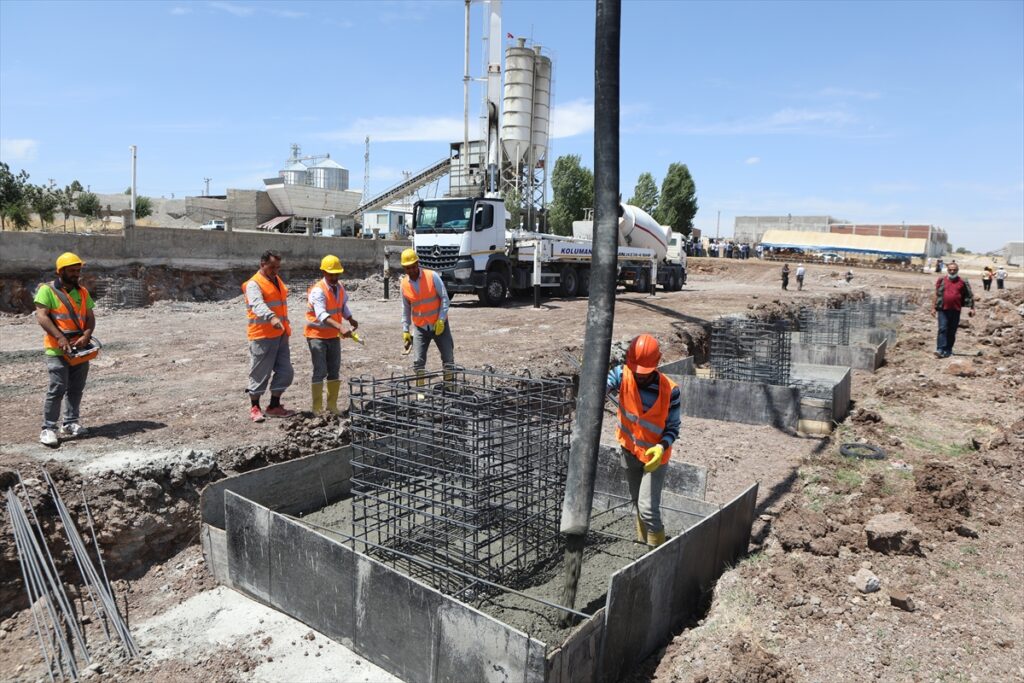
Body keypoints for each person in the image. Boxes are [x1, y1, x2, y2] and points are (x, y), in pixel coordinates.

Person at [607, 334, 681, 548]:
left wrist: (661, 447)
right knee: (637, 502)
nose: (639, 376)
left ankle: (655, 551)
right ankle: (642, 544)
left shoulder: (670, 391)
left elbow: (674, 428)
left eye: (644, 372)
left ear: (656, 365)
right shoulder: (622, 374)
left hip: (655, 457)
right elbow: (601, 386)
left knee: (648, 508)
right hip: (629, 451)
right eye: (635, 369)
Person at [34, 252, 98, 447]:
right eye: (71, 270)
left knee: (76, 389)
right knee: (57, 388)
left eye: (77, 270)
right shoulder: (47, 291)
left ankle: (70, 423)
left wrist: (86, 335)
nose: (75, 274)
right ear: (60, 271)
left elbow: (90, 316)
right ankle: (48, 428)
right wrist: (60, 337)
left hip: (79, 348)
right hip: (57, 349)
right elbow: (42, 316)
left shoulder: (83, 292)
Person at [243, 251, 295, 422]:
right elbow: (257, 304)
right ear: (262, 264)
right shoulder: (254, 284)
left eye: (278, 267)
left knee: (286, 372)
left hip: (280, 334)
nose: (275, 270)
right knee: (260, 373)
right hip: (262, 335)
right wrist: (271, 317)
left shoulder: (276, 280)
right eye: (272, 267)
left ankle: (274, 406)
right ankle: (255, 408)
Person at [304, 255, 358, 414]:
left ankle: (332, 406)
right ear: (324, 272)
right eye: (331, 274)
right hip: (316, 335)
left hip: (333, 335)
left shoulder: (340, 287)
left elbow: (342, 306)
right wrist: (341, 327)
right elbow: (320, 314)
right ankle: (317, 408)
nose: (334, 277)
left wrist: (350, 318)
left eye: (337, 274)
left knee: (334, 370)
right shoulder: (318, 291)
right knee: (320, 371)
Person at [400, 248, 454, 385]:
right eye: (407, 268)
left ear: (417, 264)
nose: (411, 270)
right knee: (418, 361)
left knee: (448, 357)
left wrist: (441, 319)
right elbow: (405, 308)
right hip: (420, 327)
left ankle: (449, 386)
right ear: (404, 268)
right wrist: (406, 329)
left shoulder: (432, 276)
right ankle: (421, 391)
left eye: (413, 267)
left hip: (439, 325)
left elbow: (444, 298)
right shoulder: (404, 284)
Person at [932, 261, 974, 358]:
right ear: (947, 270)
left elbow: (970, 295)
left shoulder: (962, 282)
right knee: (942, 329)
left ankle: (948, 349)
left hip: (956, 309)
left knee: (952, 330)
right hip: (943, 309)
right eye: (950, 270)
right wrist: (933, 308)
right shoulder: (941, 280)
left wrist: (972, 308)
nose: (952, 271)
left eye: (954, 270)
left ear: (957, 270)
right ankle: (940, 349)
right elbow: (936, 294)